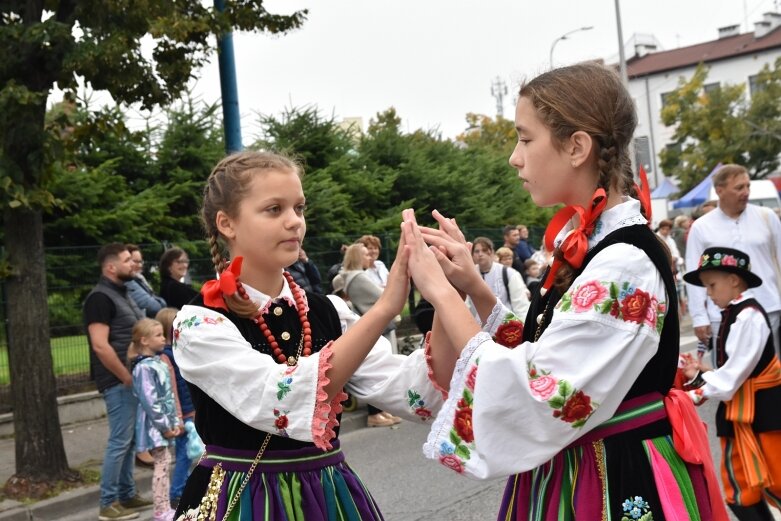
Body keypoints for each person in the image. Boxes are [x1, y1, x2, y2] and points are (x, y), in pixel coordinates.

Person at [401, 62, 728, 520]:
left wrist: (442, 294)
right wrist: (474, 287)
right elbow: (550, 347)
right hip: (584, 464)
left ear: (577, 147)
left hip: (614, 473)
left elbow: (540, 388)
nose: (515, 157)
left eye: (525, 138)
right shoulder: (593, 243)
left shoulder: (625, 260)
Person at [171, 150, 444, 520]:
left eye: (299, 208)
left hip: (327, 493)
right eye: (274, 209)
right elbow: (279, 396)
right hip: (244, 499)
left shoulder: (329, 310)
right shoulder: (199, 323)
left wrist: (447, 295)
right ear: (227, 223)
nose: (293, 222)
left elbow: (409, 390)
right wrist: (382, 311)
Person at [681, 247, 781, 521]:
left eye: (712, 285)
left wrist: (695, 392)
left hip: (761, 412)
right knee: (740, 488)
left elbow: (731, 378)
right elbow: (733, 371)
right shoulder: (735, 313)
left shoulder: (748, 316)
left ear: (734, 280)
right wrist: (702, 373)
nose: (709, 294)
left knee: (774, 479)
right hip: (745, 412)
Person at [83, 243, 152, 521]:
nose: (133, 264)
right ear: (111, 267)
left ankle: (126, 494)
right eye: (127, 261)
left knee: (131, 439)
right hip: (118, 381)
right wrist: (126, 377)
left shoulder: (123, 294)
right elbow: (100, 346)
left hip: (131, 379)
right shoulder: (100, 298)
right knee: (120, 441)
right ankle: (108, 503)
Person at [686, 164, 781, 359]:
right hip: (721, 313)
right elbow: (694, 273)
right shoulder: (701, 227)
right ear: (720, 191)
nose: (746, 192)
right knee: (729, 371)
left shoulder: (767, 217)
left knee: (770, 374)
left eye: (748, 186)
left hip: (768, 308)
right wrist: (699, 317)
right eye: (739, 187)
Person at [340, 242, 402, 427]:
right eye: (366, 254)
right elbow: (383, 295)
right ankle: (375, 413)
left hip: (367, 325)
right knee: (376, 368)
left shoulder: (350, 276)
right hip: (374, 326)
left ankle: (380, 411)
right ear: (358, 257)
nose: (370, 257)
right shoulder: (358, 277)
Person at [128, 318, 182, 521]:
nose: (163, 339)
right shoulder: (143, 368)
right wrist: (165, 426)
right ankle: (161, 509)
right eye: (158, 335)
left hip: (163, 424)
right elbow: (150, 401)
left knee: (165, 463)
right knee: (162, 464)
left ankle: (164, 506)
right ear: (144, 340)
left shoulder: (156, 363)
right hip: (154, 426)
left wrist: (175, 421)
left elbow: (167, 395)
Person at [155, 307, 195, 509]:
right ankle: (178, 491)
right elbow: (171, 390)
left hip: (187, 410)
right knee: (184, 454)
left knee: (186, 452)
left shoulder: (176, 352)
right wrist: (179, 416)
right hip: (183, 413)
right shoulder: (167, 356)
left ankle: (184, 487)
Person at [470, 237, 530, 319]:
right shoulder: (469, 275)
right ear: (472, 255)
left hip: (506, 326)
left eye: (484, 250)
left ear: (491, 252)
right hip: (478, 327)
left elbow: (521, 307)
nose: (480, 254)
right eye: (477, 251)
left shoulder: (509, 273)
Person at [125, 245, 167, 319]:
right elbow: (154, 307)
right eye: (135, 261)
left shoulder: (139, 279)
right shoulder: (129, 282)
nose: (140, 265)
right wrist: (161, 301)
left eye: (141, 262)